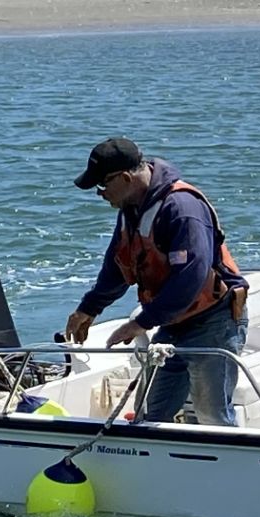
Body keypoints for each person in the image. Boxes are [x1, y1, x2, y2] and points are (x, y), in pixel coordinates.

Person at [64, 137, 249, 426]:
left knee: (212, 414)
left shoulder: (181, 208)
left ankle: (233, 466)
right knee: (148, 413)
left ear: (125, 178)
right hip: (173, 323)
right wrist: (89, 308)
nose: (100, 194)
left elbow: (191, 277)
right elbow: (117, 266)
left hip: (214, 321)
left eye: (102, 186)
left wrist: (141, 322)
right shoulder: (131, 210)